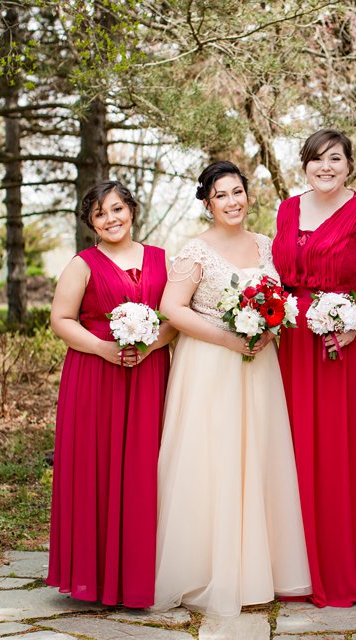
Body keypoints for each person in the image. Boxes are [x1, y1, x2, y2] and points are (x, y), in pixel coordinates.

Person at [152, 161, 311, 616]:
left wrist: (268, 331)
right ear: (207, 203)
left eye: (237, 191)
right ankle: (207, 570)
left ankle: (261, 569)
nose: (232, 201)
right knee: (213, 459)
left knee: (259, 455)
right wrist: (228, 337)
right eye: (221, 195)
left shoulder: (266, 245)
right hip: (209, 366)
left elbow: (280, 302)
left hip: (259, 366)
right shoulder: (194, 252)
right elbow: (172, 308)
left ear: (248, 195)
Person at [272, 129, 356, 607]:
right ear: (304, 165)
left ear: (349, 164)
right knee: (299, 449)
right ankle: (301, 566)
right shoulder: (287, 210)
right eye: (316, 159)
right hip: (295, 346)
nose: (325, 167)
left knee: (350, 450)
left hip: (350, 343)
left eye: (335, 159)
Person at [47, 181, 175, 608]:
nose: (111, 219)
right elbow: (61, 319)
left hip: (149, 373)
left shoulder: (162, 259)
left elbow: (176, 315)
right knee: (96, 468)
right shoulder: (82, 264)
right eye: (100, 214)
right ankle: (95, 575)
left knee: (146, 467)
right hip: (95, 376)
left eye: (117, 208)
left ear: (132, 210)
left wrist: (152, 346)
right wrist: (104, 348)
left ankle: (143, 572)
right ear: (91, 223)